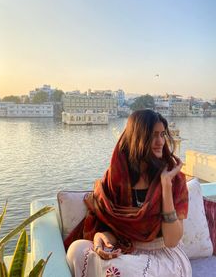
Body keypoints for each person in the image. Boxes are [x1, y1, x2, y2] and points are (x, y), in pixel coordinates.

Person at [66, 109, 192, 277]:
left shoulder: (174, 180)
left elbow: (171, 241)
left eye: (162, 134)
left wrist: (166, 186)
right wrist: (101, 240)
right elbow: (115, 231)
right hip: (126, 250)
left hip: (163, 256)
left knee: (124, 270)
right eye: (153, 135)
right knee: (77, 249)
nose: (160, 141)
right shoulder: (115, 180)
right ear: (137, 137)